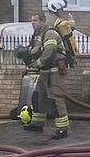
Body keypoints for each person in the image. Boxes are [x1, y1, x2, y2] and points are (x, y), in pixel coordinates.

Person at [23, 11, 70, 140]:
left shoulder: (49, 33)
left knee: (55, 99)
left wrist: (37, 64)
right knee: (38, 97)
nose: (33, 23)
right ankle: (37, 124)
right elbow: (35, 51)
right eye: (32, 20)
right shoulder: (37, 35)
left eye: (36, 20)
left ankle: (62, 129)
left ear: (43, 21)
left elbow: (49, 51)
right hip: (44, 71)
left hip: (54, 71)